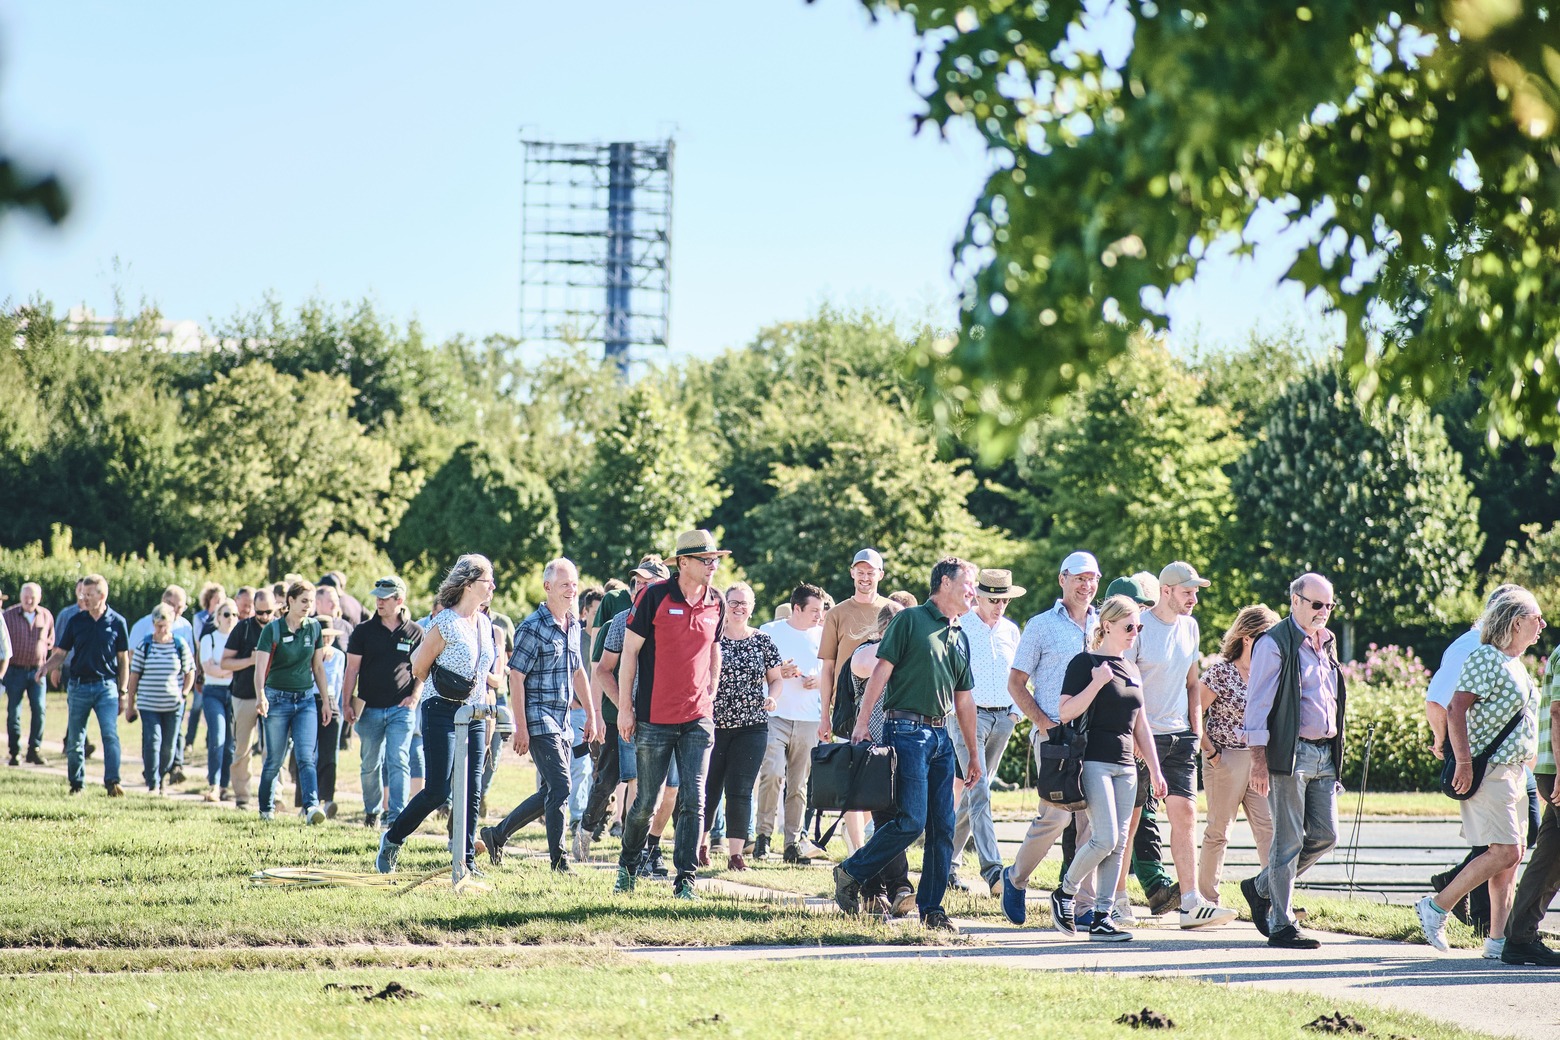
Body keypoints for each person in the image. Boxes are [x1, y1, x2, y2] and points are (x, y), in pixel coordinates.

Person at [834, 557, 983, 933]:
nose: (973, 591)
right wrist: (863, 723)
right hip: (906, 731)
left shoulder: (960, 635)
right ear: (945, 583)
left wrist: (973, 753)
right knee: (912, 820)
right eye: (968, 582)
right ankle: (852, 871)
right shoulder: (909, 619)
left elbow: (964, 700)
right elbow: (880, 673)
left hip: (941, 738)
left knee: (943, 827)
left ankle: (932, 909)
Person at [1418, 588, 1545, 957]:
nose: (1542, 625)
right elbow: (1456, 709)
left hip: (1516, 772)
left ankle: (1496, 940)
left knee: (1513, 854)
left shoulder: (1515, 664)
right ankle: (1437, 906)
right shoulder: (1485, 658)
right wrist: (1461, 761)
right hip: (1491, 772)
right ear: (1516, 621)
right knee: (1505, 850)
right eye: (1537, 618)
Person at [613, 530, 728, 900]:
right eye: (705, 560)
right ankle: (628, 867)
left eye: (715, 560)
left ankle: (686, 880)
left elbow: (714, 649)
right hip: (653, 719)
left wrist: (711, 689)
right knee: (647, 801)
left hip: (698, 719)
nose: (713, 566)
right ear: (682, 563)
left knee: (694, 799)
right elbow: (629, 654)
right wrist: (625, 710)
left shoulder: (717, 602)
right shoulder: (654, 596)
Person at [1050, 595, 1168, 941]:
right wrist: (1097, 682)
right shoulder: (1084, 663)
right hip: (1095, 761)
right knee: (1103, 837)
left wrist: (1156, 771)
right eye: (1129, 626)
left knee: (1118, 843)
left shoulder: (1131, 668)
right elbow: (1066, 712)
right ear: (1108, 626)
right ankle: (1065, 892)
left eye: (1139, 627)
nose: (1135, 632)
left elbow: (1140, 724)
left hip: (1126, 765)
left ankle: (1103, 915)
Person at [1123, 561, 1233, 928]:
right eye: (1187, 592)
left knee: (1185, 815)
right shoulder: (1138, 628)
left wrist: (1195, 730)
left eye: (1196, 591)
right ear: (1165, 591)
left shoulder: (1190, 627)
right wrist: (1136, 733)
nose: (1194, 598)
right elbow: (1128, 687)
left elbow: (1191, 684)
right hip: (1143, 737)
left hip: (1180, 736)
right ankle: (1118, 897)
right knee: (1133, 819)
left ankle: (1190, 902)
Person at [1242, 572, 1347, 950]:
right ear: (1295, 601)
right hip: (1290, 752)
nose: (1323, 612)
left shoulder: (1327, 642)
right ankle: (1281, 924)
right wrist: (1258, 760)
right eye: (1316, 604)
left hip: (1324, 753)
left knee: (1325, 835)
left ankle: (1259, 887)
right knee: (1286, 842)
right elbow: (1257, 705)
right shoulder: (1274, 643)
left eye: (1329, 605)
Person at [378, 555, 501, 874]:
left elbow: (489, 676)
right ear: (471, 583)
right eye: (489, 580)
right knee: (437, 791)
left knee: (472, 789)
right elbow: (418, 667)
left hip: (474, 714)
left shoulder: (486, 623)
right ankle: (392, 839)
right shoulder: (445, 621)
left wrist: (488, 723)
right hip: (441, 711)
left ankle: (467, 862)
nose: (493, 586)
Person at [1001, 551, 1103, 926]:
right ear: (1062, 579)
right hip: (1055, 737)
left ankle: (1084, 907)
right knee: (1056, 818)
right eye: (1079, 578)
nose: (1086, 585)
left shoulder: (1102, 625)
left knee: (1092, 824)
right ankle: (1015, 879)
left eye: (1092, 578)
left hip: (1095, 736)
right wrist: (1043, 723)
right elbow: (1015, 683)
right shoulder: (1041, 625)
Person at [483, 558, 599, 871]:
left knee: (550, 790)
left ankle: (496, 834)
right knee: (562, 786)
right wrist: (520, 726)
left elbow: (578, 673)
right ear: (547, 587)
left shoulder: (573, 625)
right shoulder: (532, 627)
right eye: (565, 585)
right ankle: (558, 861)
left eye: (574, 584)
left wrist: (591, 715)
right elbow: (515, 677)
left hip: (563, 721)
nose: (572, 590)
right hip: (538, 717)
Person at [578, 557, 669, 860]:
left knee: (652, 786)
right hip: (620, 714)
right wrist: (618, 710)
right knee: (608, 780)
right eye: (637, 584)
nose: (640, 589)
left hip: (665, 717)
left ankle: (641, 849)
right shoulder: (618, 623)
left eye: (648, 584)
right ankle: (586, 831)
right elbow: (599, 671)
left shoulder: (676, 619)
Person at [1196, 604, 1280, 903]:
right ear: (1247, 637)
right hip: (1226, 760)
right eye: (1266, 637)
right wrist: (1211, 753)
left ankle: (1276, 898)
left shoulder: (1271, 673)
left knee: (1269, 829)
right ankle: (1207, 900)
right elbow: (1193, 713)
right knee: (1219, 831)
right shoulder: (1221, 672)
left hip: (1260, 761)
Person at [948, 568, 1025, 895]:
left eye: (1004, 600)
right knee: (979, 790)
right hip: (968, 716)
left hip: (1002, 718)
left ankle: (945, 863)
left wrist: (1016, 712)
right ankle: (994, 873)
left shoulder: (1010, 629)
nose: (999, 605)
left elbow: (1019, 673)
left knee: (972, 793)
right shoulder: (960, 626)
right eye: (994, 599)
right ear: (978, 596)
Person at [702, 581, 781, 871]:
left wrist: (772, 698)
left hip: (752, 725)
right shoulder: (711, 638)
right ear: (724, 606)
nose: (738, 608)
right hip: (714, 724)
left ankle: (736, 854)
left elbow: (776, 679)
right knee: (709, 788)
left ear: (752, 607)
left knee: (740, 789)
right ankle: (701, 844)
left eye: (743, 603)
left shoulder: (763, 641)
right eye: (733, 602)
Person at [847, 600, 916, 916]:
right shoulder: (866, 653)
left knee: (894, 818)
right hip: (874, 751)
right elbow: (866, 665)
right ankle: (892, 887)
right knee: (887, 818)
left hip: (903, 747)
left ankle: (876, 889)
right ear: (883, 629)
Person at [755, 583, 830, 864]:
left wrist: (820, 680)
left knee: (798, 785)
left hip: (809, 718)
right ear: (797, 608)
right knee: (772, 775)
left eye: (821, 611)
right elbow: (754, 674)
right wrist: (777, 673)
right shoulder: (770, 632)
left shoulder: (824, 635)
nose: (818, 616)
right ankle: (762, 837)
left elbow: (831, 673)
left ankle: (792, 843)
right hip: (775, 716)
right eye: (813, 611)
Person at [1503, 603, 1560, 966]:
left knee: (1550, 857)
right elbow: (1559, 713)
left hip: (1551, 767)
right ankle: (1519, 938)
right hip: (1558, 767)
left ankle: (1520, 937)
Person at [343, 576, 422, 829]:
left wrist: (415, 695)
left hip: (402, 708)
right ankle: (372, 811)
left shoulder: (415, 632)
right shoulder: (363, 631)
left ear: (400, 600)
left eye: (384, 598)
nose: (378, 601)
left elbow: (422, 669)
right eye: (377, 597)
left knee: (398, 758)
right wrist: (346, 703)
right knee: (369, 763)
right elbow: (351, 670)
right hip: (369, 709)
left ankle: (395, 816)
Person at [254, 581, 333, 823]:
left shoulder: (314, 628)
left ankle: (311, 807)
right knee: (274, 760)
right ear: (290, 601)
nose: (309, 606)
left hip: (306, 700)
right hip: (277, 699)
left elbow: (318, 668)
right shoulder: (273, 630)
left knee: (306, 756)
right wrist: (261, 696)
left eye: (312, 601)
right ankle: (266, 808)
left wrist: (326, 701)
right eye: (304, 601)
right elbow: (259, 669)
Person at [44, 574, 129, 796]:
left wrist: (123, 691)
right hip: (79, 686)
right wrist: (47, 667)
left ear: (102, 595)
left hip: (106, 688)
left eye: (89, 594)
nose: (84, 598)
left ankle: (113, 782)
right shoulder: (76, 621)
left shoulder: (118, 622)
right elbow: (60, 653)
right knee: (75, 739)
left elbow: (123, 660)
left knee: (110, 734)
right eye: (83, 594)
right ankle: (77, 784)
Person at [125, 603, 196, 793]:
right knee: (152, 741)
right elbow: (134, 676)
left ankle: (162, 776)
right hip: (149, 703)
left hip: (173, 705)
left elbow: (190, 671)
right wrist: (130, 704)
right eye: (158, 625)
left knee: (168, 747)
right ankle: (152, 781)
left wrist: (184, 692)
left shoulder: (179, 645)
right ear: (153, 624)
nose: (162, 629)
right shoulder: (145, 645)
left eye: (165, 625)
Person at [221, 588, 274, 810]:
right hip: (243, 695)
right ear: (253, 608)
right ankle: (242, 797)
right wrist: (251, 660)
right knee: (242, 748)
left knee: (273, 749)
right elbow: (225, 662)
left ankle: (273, 796)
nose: (264, 617)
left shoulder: (279, 628)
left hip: (272, 695)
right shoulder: (242, 629)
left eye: (268, 612)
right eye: (260, 612)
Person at [3, 582, 54, 767]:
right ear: (20, 596)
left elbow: (50, 641)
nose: (29, 600)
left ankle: (34, 750)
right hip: (15, 670)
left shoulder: (46, 616)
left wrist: (48, 665)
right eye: (26, 596)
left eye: (32, 597)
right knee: (14, 712)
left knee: (39, 710)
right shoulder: (8, 616)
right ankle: (15, 752)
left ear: (39, 598)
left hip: (37, 671)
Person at [198, 597, 239, 801]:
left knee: (231, 741)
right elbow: (207, 668)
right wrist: (229, 668)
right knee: (217, 736)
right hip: (213, 691)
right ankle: (213, 784)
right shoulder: (209, 639)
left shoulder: (239, 640)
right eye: (226, 614)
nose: (230, 618)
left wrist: (221, 668)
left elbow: (221, 667)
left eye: (234, 614)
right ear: (218, 617)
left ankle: (224, 785)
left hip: (234, 691)